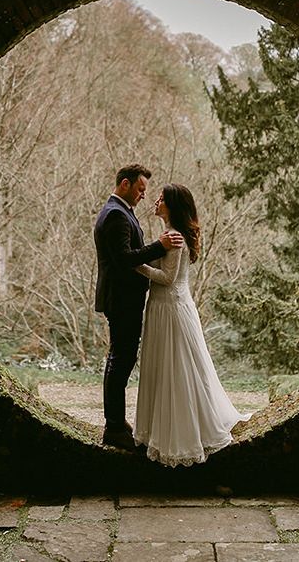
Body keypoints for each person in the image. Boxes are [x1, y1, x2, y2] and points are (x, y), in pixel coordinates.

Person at [134, 183, 249, 467]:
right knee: (170, 369)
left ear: (172, 205)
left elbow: (167, 278)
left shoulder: (174, 237)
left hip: (170, 309)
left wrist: (134, 263)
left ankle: (181, 436)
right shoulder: (170, 234)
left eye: (161, 198)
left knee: (177, 371)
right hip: (166, 307)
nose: (156, 202)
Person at [94, 164, 184, 451]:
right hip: (121, 300)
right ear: (125, 184)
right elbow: (124, 259)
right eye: (140, 189)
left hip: (124, 299)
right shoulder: (116, 216)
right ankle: (114, 427)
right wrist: (160, 246)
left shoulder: (119, 211)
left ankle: (116, 423)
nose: (144, 196)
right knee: (120, 361)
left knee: (121, 359)